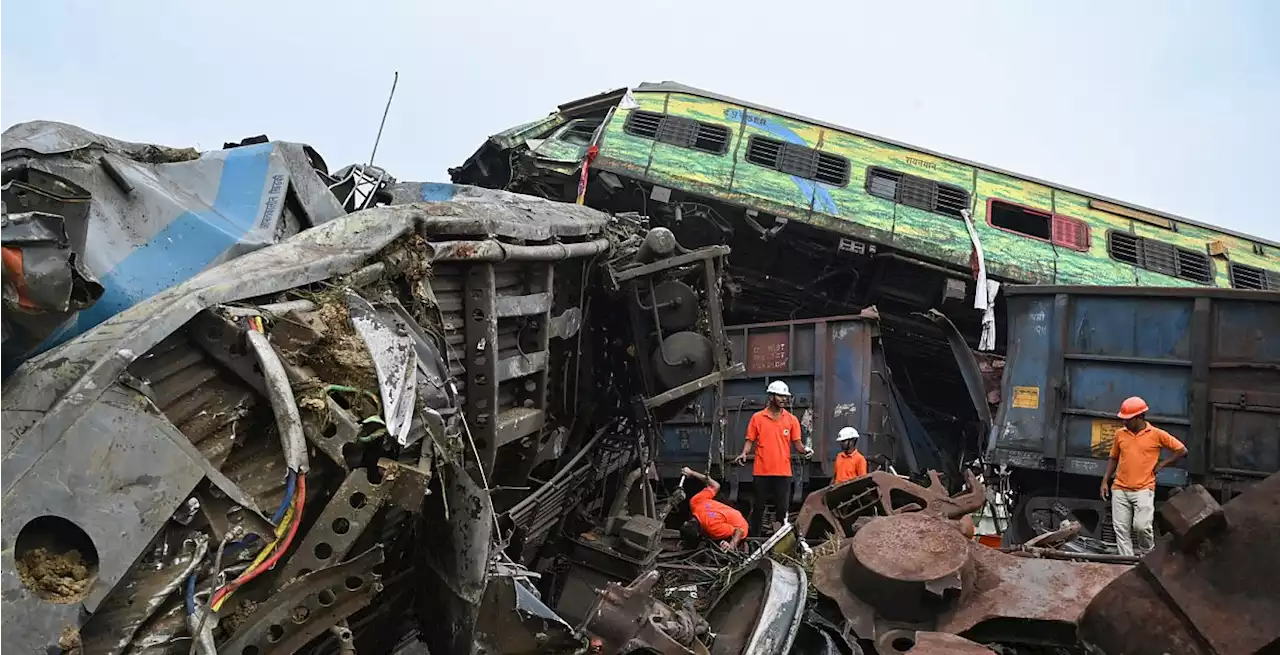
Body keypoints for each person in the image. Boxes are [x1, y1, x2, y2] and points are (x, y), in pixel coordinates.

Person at [1099, 396, 1188, 556]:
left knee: (1142, 527)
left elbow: (1181, 450)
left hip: (1143, 489)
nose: (1124, 422)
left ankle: (1148, 557)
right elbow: (1114, 458)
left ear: (1139, 417)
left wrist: (1162, 464)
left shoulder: (1156, 434)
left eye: (1128, 419)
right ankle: (1126, 564)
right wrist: (1105, 481)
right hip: (1120, 488)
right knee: (1121, 530)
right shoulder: (1120, 434)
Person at [734, 380, 813, 534]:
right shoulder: (757, 418)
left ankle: (779, 540)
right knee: (758, 507)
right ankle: (754, 540)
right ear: (771, 397)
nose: (784, 399)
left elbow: (797, 445)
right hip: (761, 471)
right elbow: (750, 439)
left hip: (783, 472)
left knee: (782, 509)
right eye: (780, 396)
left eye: (785, 396)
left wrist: (805, 450)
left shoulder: (791, 420)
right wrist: (744, 453)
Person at [679, 467, 748, 550]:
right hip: (729, 515)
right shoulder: (695, 502)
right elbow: (715, 486)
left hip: (740, 526)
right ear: (686, 522)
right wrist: (692, 473)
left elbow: (740, 531)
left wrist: (731, 546)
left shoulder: (713, 528)